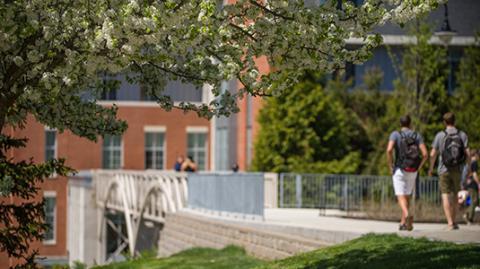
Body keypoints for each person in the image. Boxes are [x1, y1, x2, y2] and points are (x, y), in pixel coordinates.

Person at [386, 115, 428, 231]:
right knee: (407, 196)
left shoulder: (395, 134)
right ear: (410, 124)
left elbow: (389, 150)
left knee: (400, 195)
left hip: (400, 169)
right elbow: (425, 154)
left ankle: (407, 214)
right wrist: (419, 167)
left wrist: (390, 166)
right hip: (413, 170)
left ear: (400, 124)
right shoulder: (416, 135)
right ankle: (403, 223)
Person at [428, 112, 469, 230]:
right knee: (456, 195)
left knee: (445, 195)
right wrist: (468, 167)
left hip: (443, 169)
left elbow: (432, 154)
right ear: (455, 121)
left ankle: (450, 223)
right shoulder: (462, 135)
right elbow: (467, 153)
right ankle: (454, 221)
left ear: (444, 122)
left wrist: (431, 168)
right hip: (457, 169)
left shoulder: (440, 135)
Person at [463, 149, 479, 225]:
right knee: (474, 201)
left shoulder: (469, 163)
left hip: (469, 184)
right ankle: (468, 217)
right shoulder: (474, 162)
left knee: (473, 201)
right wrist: (478, 183)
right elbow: (475, 174)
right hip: (473, 184)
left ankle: (468, 215)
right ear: (476, 155)